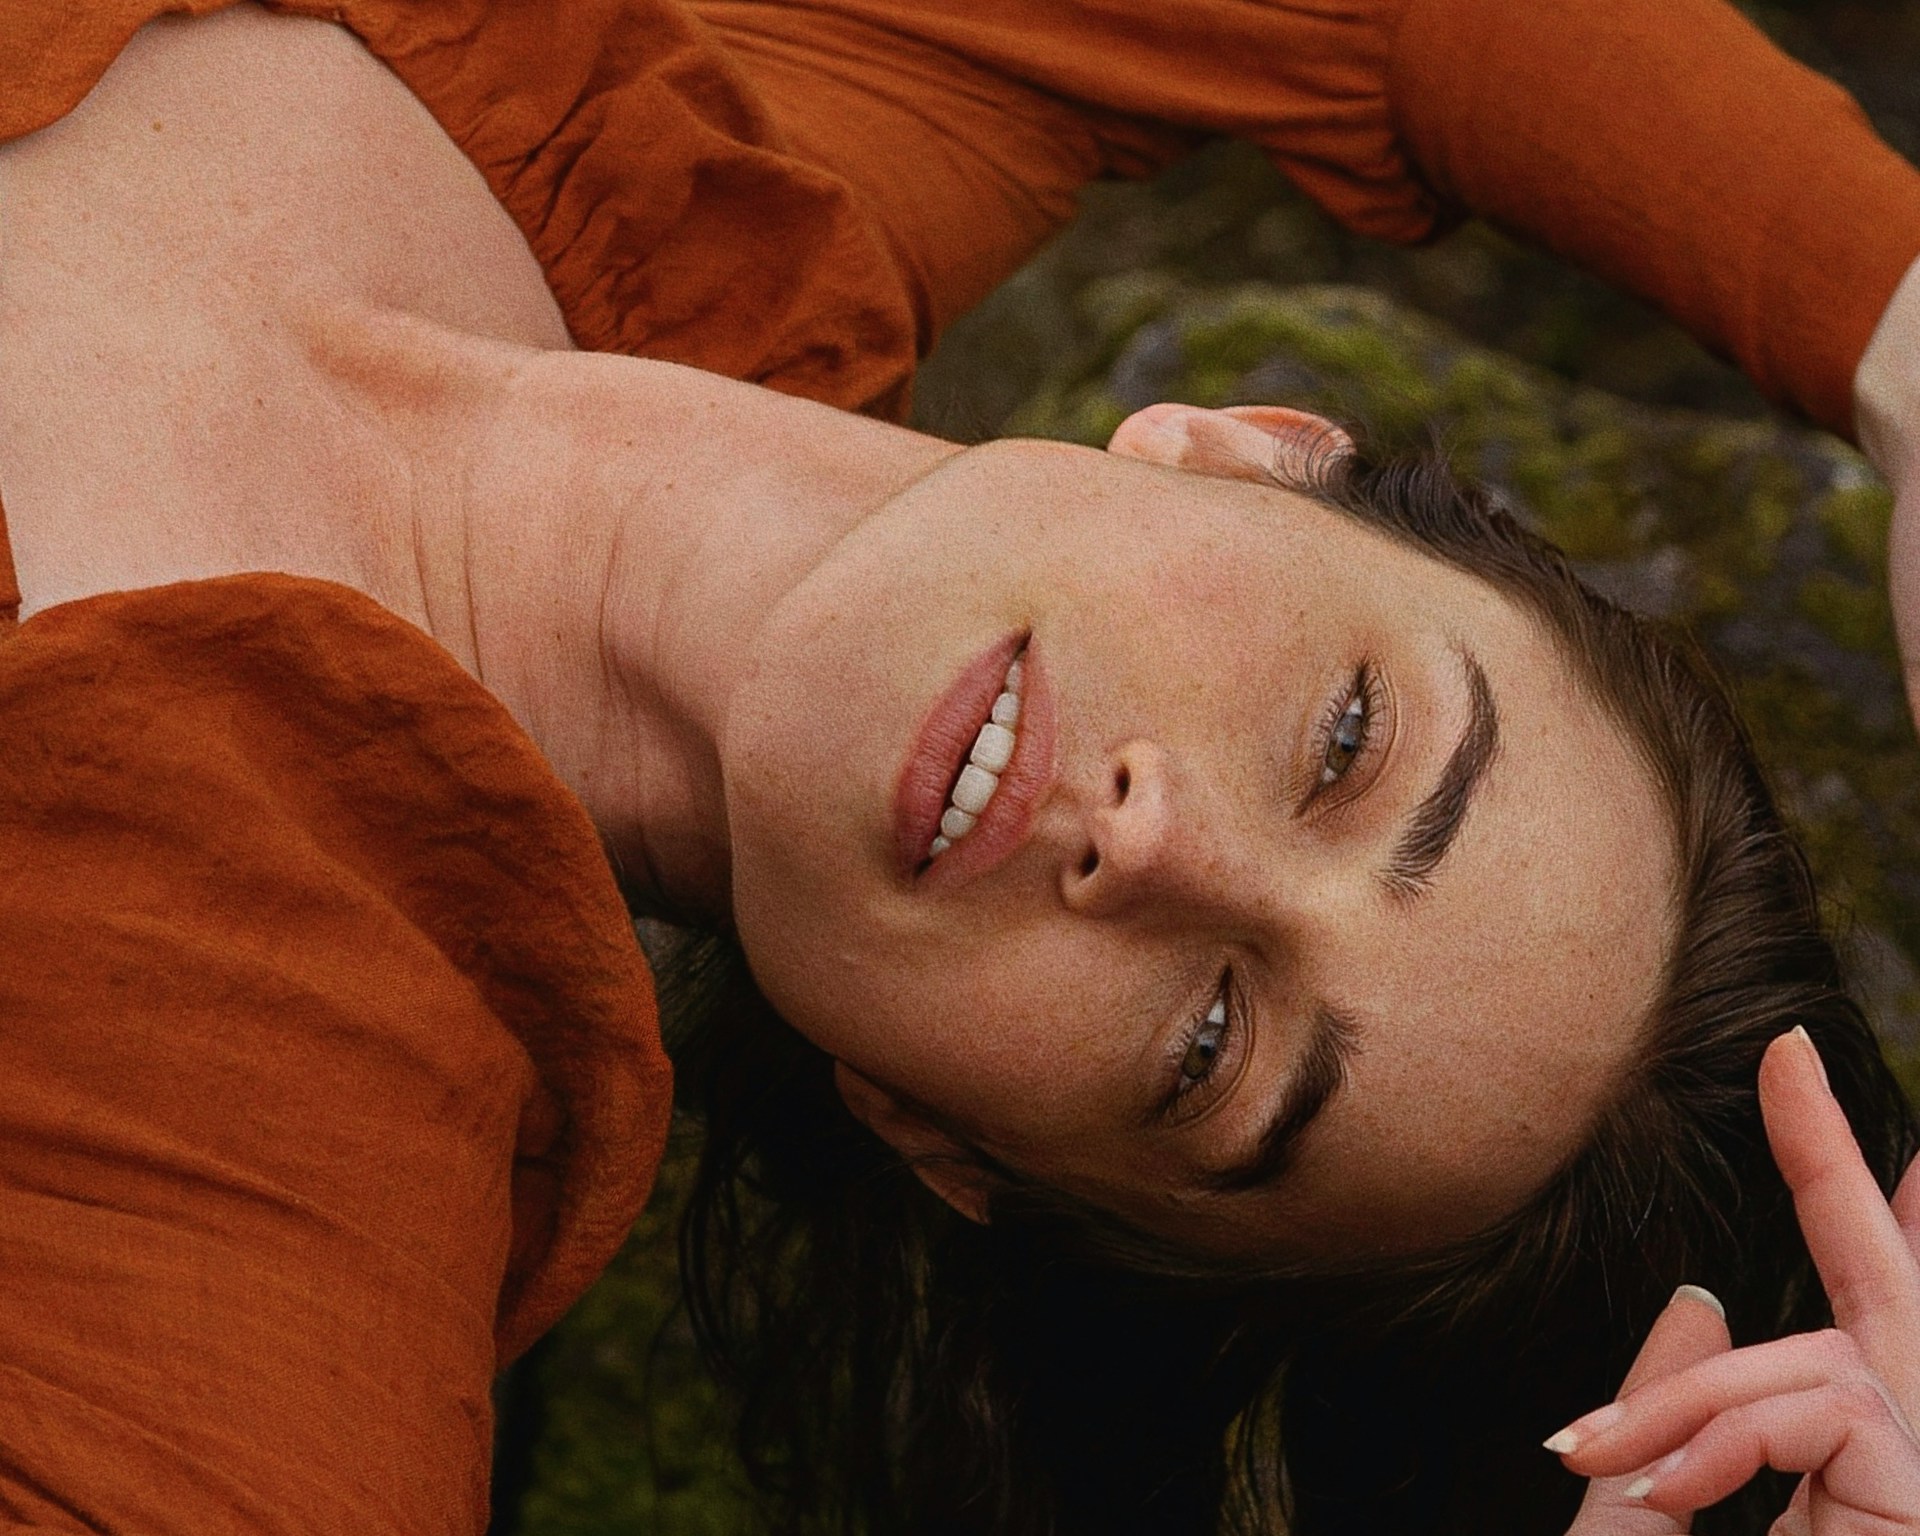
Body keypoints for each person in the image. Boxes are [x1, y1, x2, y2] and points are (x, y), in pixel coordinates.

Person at [0, 2, 1917, 1534]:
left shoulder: (249, 1210)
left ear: (943, 1144)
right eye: (1345, 741)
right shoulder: (721, 130)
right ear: (1251, 453)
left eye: (1208, 1049)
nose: (1155, 847)